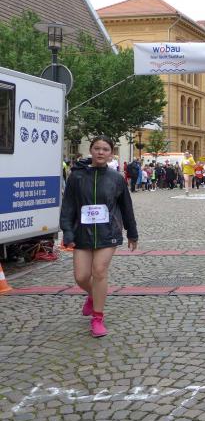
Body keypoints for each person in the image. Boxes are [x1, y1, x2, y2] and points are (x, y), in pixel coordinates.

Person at [60, 136, 138, 338]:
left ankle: (97, 318)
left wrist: (132, 233)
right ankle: (93, 295)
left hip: (108, 232)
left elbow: (126, 207)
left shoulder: (116, 178)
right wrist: (67, 231)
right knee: (81, 277)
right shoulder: (76, 177)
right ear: (91, 151)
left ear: (111, 153)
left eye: (105, 149)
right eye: (97, 148)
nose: (101, 152)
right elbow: (68, 206)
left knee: (99, 271)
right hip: (82, 232)